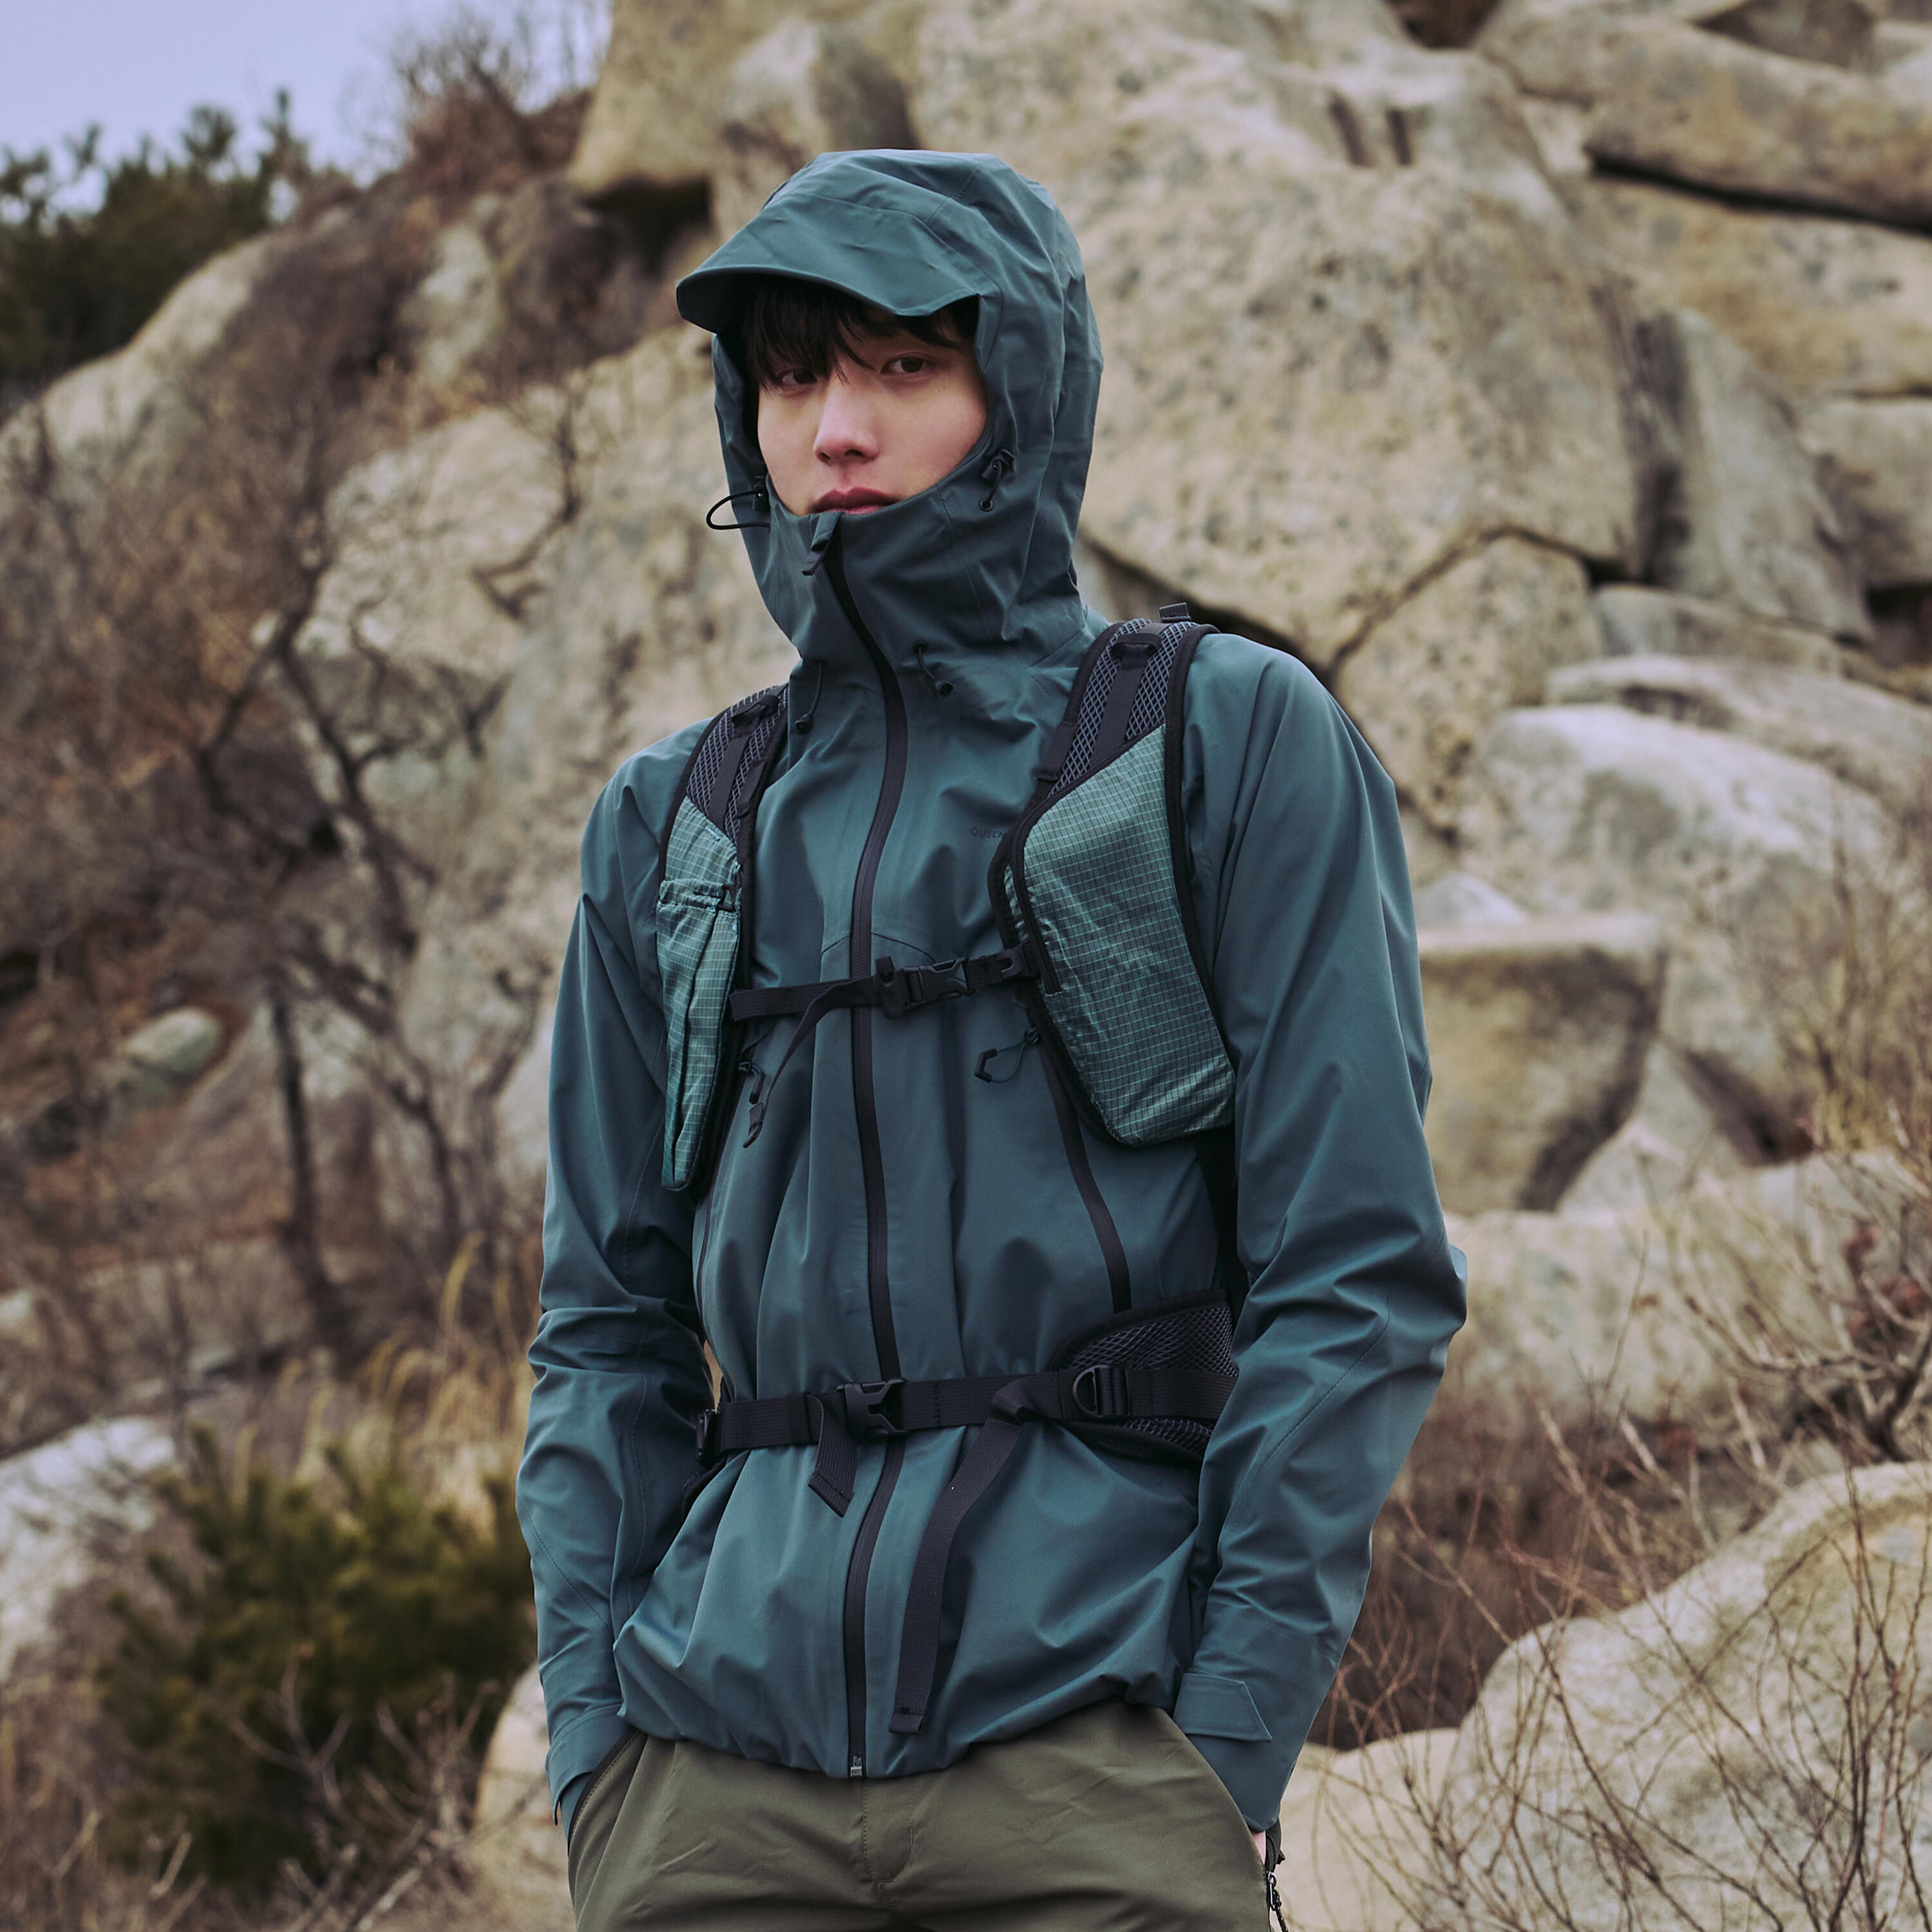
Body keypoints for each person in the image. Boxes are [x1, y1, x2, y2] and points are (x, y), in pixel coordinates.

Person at [518, 148, 1467, 1931]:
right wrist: (600, 1765)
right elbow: (603, 1331)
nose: (836, 431)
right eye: (791, 376)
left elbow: (1357, 1271)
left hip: (1096, 1769)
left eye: (901, 364)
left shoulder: (1222, 741)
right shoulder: (674, 821)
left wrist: (1221, 1750)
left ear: (1018, 386)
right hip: (712, 1799)